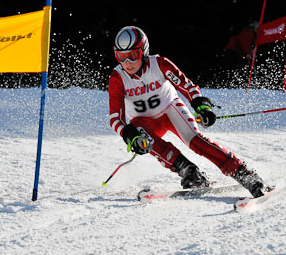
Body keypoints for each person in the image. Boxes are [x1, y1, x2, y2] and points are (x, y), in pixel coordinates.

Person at [107, 26, 274, 198]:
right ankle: (190, 172)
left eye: (132, 55)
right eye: (121, 56)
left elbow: (186, 86)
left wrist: (201, 105)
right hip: (146, 123)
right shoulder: (117, 78)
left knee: (196, 142)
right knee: (139, 132)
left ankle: (246, 175)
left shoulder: (159, 63)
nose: (127, 62)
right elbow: (115, 118)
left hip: (171, 110)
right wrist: (129, 135)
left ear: (143, 51)